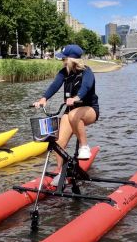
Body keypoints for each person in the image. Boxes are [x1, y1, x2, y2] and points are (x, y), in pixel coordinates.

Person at [33, 44, 98, 181]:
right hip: (71, 111)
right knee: (58, 142)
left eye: (64, 59)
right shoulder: (64, 72)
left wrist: (77, 98)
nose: (62, 61)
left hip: (89, 110)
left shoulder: (87, 72)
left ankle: (84, 147)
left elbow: (87, 86)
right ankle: (59, 170)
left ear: (72, 59)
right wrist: (43, 99)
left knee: (74, 114)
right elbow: (54, 85)